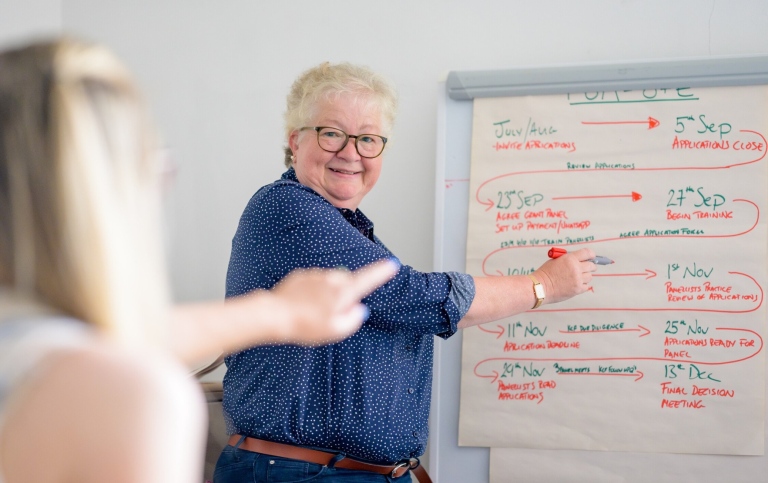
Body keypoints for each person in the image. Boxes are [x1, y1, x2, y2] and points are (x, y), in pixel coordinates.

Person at [0, 39, 397, 483]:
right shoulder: (128, 397)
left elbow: (92, 342)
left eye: (367, 139)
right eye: (153, 164)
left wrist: (277, 312)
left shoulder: (46, 357)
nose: (350, 151)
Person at [215, 61, 599, 483]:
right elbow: (415, 297)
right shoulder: (289, 208)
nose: (350, 152)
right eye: (331, 133)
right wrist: (542, 285)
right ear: (295, 140)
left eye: (368, 139)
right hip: (301, 472)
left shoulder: (348, 228)